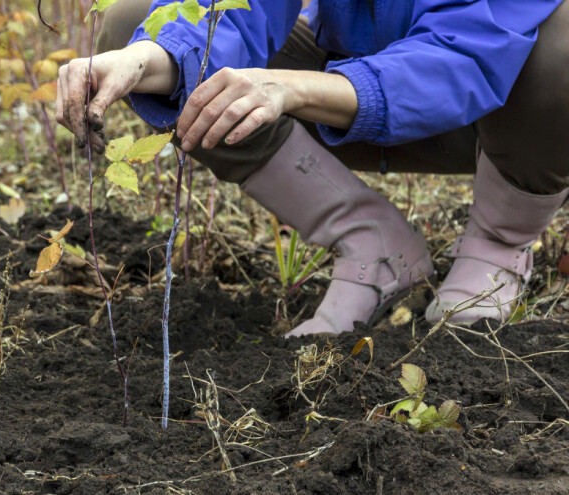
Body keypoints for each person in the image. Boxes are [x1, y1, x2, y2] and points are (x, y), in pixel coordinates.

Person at [54, 0, 569, 337]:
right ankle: (371, 239)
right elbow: (233, 8)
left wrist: (294, 89)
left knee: (563, 42)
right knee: (136, 25)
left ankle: (497, 246)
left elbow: (463, 58)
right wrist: (144, 59)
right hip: (343, 87)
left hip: (489, 109)